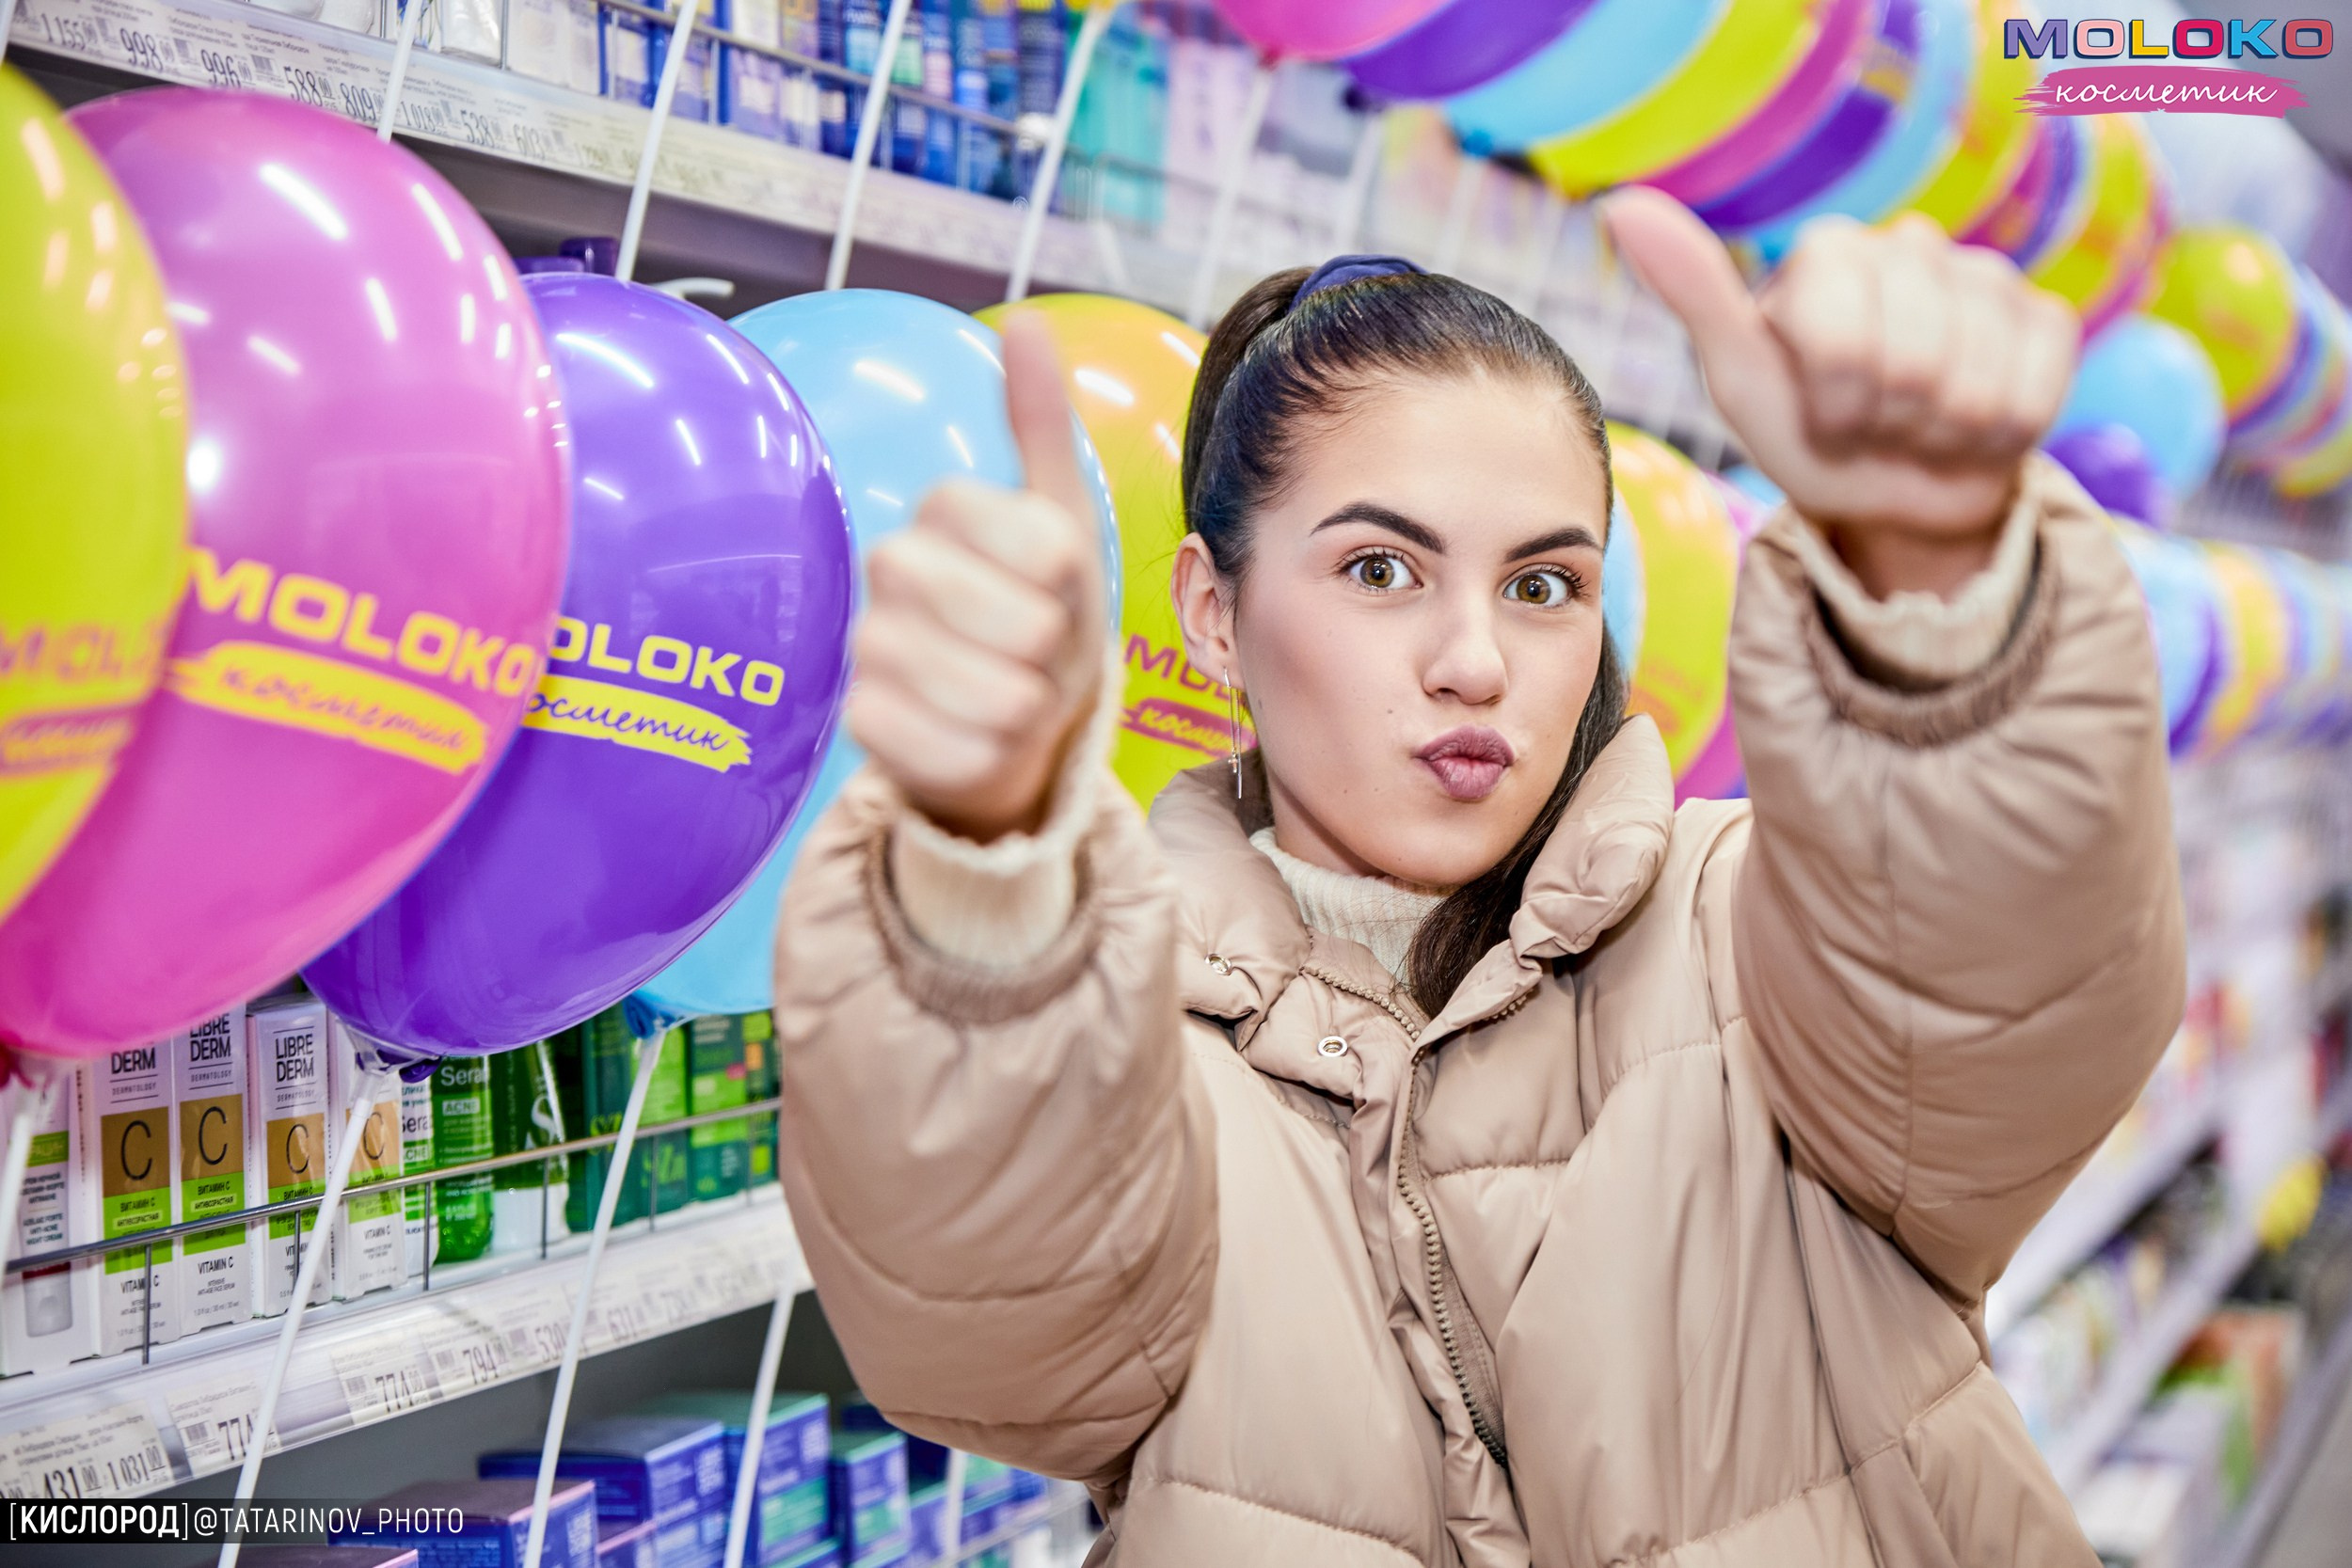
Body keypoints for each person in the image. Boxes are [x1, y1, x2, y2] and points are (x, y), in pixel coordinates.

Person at [770, 189, 2185, 1566]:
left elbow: (2010, 1001)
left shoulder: (1754, 935)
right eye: (1381, 570)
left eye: (1542, 584)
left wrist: (1940, 604)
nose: (1477, 662)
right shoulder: (1125, 1039)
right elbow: (999, 1347)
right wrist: (982, 883)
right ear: (1212, 614)